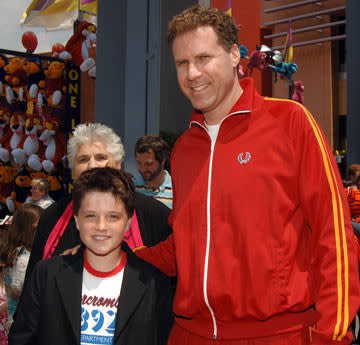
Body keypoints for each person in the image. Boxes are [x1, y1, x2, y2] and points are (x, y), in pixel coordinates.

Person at [135, 5, 360, 345]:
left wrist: (332, 336)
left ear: (233, 56)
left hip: (278, 334)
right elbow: (183, 246)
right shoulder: (183, 149)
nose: (192, 73)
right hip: (189, 335)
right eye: (182, 63)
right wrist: (110, 253)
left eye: (203, 58)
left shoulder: (290, 122)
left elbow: (335, 238)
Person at [9, 167, 173, 345]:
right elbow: (22, 339)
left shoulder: (154, 283)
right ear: (77, 220)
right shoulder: (46, 275)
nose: (101, 226)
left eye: (113, 216)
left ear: (128, 222)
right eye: (90, 216)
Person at [24, 123, 172, 283]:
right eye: (83, 159)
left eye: (101, 157)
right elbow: (33, 287)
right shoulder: (52, 216)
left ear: (119, 164)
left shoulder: (154, 214)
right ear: (73, 168)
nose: (92, 165)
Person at [0, 204, 42, 332]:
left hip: (15, 316)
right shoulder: (24, 257)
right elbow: (19, 288)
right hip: (20, 320)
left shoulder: (17, 252)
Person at [134, 135, 173, 208]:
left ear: (162, 161)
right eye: (139, 163)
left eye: (148, 164)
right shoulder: (130, 189)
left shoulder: (176, 191)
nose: (143, 169)